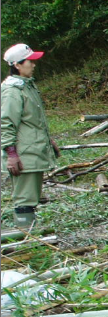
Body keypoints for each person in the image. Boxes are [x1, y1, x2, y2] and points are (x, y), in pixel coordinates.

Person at [1, 43, 59, 230]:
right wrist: (11, 153)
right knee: (25, 197)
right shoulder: (12, 91)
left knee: (31, 194)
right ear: (17, 64)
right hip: (23, 153)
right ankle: (26, 237)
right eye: (30, 61)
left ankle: (30, 233)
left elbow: (32, 120)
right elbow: (6, 123)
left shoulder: (27, 86)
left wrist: (49, 140)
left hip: (33, 149)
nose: (33, 65)